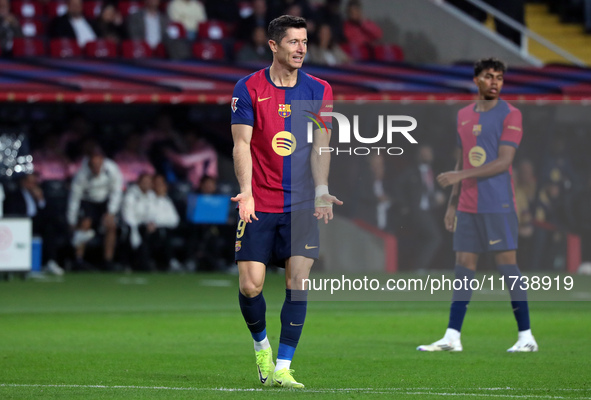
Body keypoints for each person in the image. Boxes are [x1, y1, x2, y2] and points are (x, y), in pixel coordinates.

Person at [231, 15, 341, 388]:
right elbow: (241, 144)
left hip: (301, 204)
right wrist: (246, 191)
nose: (301, 49)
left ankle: (282, 366)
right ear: (274, 46)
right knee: (251, 286)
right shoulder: (247, 88)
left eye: (305, 42)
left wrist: (322, 189)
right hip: (259, 201)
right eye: (293, 42)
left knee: (298, 282)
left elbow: (320, 145)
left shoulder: (319, 89)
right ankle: (261, 346)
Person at [417, 58, 538, 353]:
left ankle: (526, 337)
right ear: (476, 80)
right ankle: (452, 337)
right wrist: (452, 203)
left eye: (499, 77)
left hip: (498, 204)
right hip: (468, 206)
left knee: (508, 267)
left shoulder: (511, 114)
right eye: (488, 76)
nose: (495, 81)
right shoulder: (463, 115)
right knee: (463, 269)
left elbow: (505, 161)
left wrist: (460, 175)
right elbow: (463, 158)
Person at [67, 147, 123, 271]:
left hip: (105, 201)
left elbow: (116, 191)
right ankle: (78, 260)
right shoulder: (81, 174)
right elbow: (74, 198)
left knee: (111, 226)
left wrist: (111, 212)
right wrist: (71, 220)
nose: (96, 168)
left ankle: (108, 261)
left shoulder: (111, 169)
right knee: (84, 225)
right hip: (88, 201)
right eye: (93, 165)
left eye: (98, 164)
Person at [4, 173, 65, 275]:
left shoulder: (39, 194)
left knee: (50, 228)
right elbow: (12, 212)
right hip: (20, 224)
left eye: (34, 183)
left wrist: (40, 200)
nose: (32, 185)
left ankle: (50, 262)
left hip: (36, 223)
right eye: (30, 182)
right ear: (23, 182)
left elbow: (48, 214)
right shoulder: (14, 195)